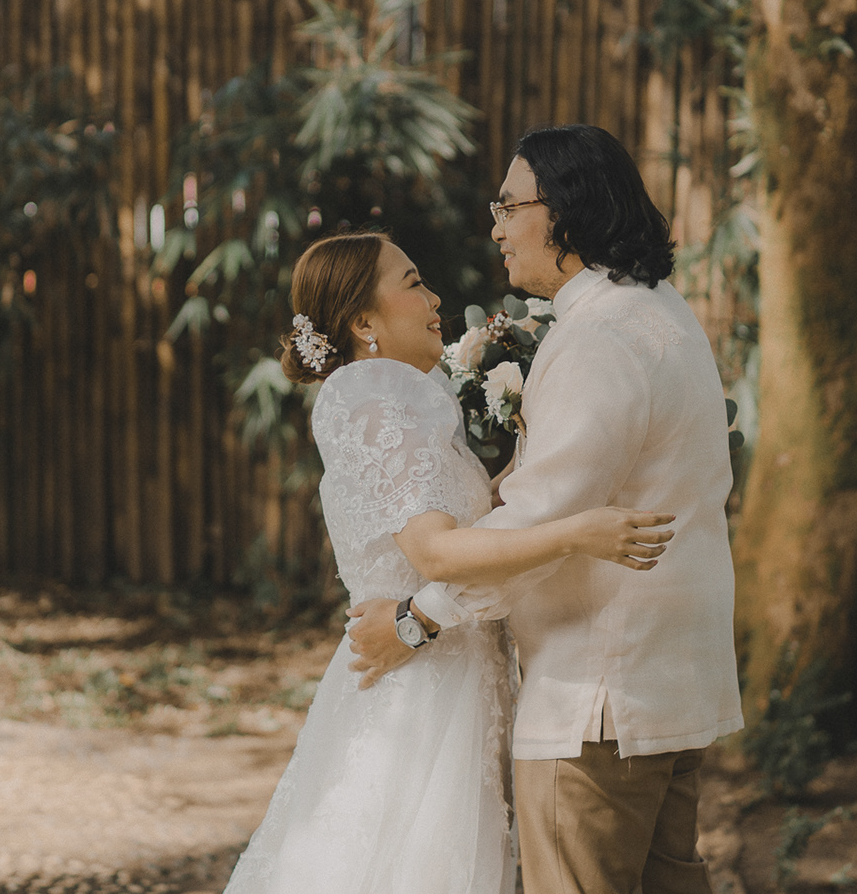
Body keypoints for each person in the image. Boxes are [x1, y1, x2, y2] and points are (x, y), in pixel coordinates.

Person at [347, 124, 744, 894]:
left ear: (565, 210)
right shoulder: (662, 311)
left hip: (598, 696)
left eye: (509, 206)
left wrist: (415, 620)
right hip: (669, 681)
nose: (496, 228)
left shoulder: (599, 339)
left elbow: (542, 527)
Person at [223, 229, 677, 894]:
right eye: (413, 283)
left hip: (449, 672)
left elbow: (451, 522)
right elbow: (435, 552)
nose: (436, 299)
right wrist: (576, 533)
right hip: (419, 692)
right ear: (364, 323)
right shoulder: (374, 395)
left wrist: (529, 466)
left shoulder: (395, 395)